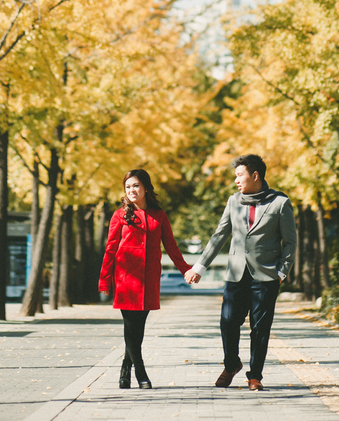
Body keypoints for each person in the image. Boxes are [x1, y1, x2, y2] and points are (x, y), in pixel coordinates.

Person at [185, 154, 296, 391]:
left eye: (239, 175)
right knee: (228, 322)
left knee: (260, 328)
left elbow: (290, 242)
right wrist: (199, 267)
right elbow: (219, 235)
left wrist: (282, 272)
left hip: (266, 277)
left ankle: (255, 376)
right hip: (236, 274)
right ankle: (232, 363)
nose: (236, 180)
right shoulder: (233, 201)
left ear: (255, 175)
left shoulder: (280, 203)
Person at [99, 168, 190, 390]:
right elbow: (110, 249)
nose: (131, 190)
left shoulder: (159, 215)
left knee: (137, 329)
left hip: (149, 280)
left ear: (146, 188)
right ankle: (140, 371)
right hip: (125, 279)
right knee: (130, 326)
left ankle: (124, 369)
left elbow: (171, 246)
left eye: (136, 185)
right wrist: (104, 280)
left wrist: (185, 269)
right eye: (128, 186)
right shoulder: (119, 215)